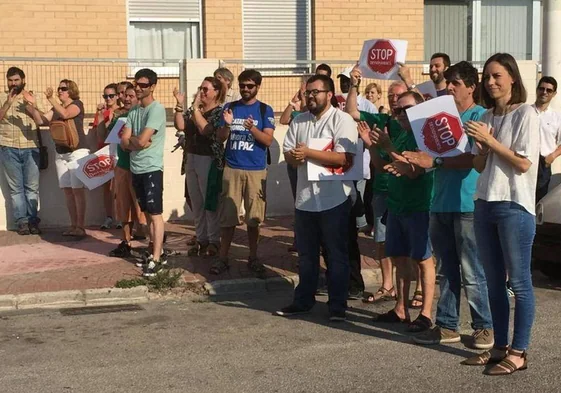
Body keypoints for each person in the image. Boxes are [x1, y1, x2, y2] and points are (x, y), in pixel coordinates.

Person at [402, 61, 494, 349]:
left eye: (455, 83)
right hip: (439, 202)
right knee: (446, 269)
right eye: (448, 82)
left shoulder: (480, 116)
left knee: (472, 270)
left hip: (467, 203)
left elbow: (474, 160)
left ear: (471, 86)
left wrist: (435, 161)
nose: (449, 86)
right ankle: (447, 324)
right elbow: (429, 155)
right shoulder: (440, 115)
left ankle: (484, 327)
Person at [461, 53, 539, 376]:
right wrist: (480, 148)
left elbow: (523, 163)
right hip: (485, 202)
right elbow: (479, 165)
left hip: (514, 205)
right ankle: (499, 348)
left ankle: (519, 351)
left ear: (512, 77)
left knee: (519, 282)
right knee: (494, 282)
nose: (491, 82)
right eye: (487, 78)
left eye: (497, 76)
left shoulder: (527, 114)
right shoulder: (488, 116)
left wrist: (490, 141)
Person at [277, 74, 358, 321]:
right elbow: (288, 153)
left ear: (329, 94)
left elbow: (345, 158)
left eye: (316, 92)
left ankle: (337, 306)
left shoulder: (342, 120)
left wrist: (308, 153)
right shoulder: (299, 121)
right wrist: (295, 157)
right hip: (305, 199)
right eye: (308, 92)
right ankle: (303, 301)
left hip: (334, 198)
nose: (311, 96)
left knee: (336, 254)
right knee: (306, 255)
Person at [361, 91, 435, 333]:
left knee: (423, 260)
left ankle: (424, 313)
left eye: (408, 109)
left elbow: (413, 170)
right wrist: (372, 146)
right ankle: (401, 308)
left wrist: (388, 146)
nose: (402, 114)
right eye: (398, 110)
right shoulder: (402, 136)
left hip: (419, 207)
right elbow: (383, 167)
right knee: (400, 259)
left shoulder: (426, 137)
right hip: (397, 205)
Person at [346, 70, 411, 304]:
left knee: (414, 244)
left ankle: (420, 290)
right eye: (392, 96)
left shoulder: (418, 127)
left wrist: (409, 80)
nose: (395, 100)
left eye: (400, 96)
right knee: (382, 241)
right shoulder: (382, 121)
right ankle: (387, 286)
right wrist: (354, 85)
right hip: (383, 190)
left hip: (411, 192)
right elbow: (352, 111)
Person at [212, 69, 275, 275]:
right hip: (232, 168)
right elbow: (221, 137)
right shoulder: (230, 108)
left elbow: (267, 140)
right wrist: (228, 125)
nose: (245, 89)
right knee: (228, 217)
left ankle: (253, 257)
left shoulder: (265, 110)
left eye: (250, 86)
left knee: (254, 218)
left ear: (258, 86)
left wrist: (252, 129)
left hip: (256, 170)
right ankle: (223, 258)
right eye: (242, 86)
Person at [26, 79, 89, 237]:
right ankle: (73, 225)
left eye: (63, 88)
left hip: (77, 151)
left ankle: (81, 226)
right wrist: (32, 106)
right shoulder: (56, 108)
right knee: (68, 191)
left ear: (71, 90)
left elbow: (66, 114)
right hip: (61, 153)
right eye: (59, 88)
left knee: (77, 191)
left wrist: (51, 99)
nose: (60, 91)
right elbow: (41, 121)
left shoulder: (77, 104)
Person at [120, 68, 167, 277]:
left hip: (151, 168)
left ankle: (157, 258)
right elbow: (125, 142)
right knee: (146, 213)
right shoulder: (133, 112)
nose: (138, 88)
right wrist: (136, 142)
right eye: (136, 84)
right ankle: (154, 250)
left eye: (143, 85)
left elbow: (139, 140)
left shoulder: (156, 110)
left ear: (153, 87)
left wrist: (137, 141)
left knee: (155, 213)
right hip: (136, 167)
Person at [173, 77, 225, 257]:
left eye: (206, 89)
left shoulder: (219, 112)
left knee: (209, 201)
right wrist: (179, 105)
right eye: (200, 88)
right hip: (191, 156)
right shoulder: (195, 110)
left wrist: (195, 109)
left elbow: (206, 130)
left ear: (216, 92)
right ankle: (201, 238)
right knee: (196, 201)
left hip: (208, 158)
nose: (201, 92)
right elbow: (180, 125)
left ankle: (213, 240)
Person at [0, 67, 42, 235]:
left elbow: (41, 120)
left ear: (23, 80)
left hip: (31, 147)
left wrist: (31, 105)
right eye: (10, 80)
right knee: (16, 188)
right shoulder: (2, 97)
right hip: (8, 146)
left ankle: (33, 221)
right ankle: (22, 222)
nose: (13, 83)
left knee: (32, 187)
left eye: (16, 80)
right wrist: (8, 103)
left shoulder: (32, 96)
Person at [107, 85, 148, 257]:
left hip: (139, 166)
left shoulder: (145, 118)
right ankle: (126, 241)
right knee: (123, 206)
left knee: (143, 207)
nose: (127, 99)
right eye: (125, 95)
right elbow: (109, 135)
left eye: (131, 95)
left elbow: (144, 141)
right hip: (123, 166)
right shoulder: (120, 118)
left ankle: (151, 241)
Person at [93, 83, 122, 230]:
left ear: (117, 96)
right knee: (107, 188)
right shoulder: (102, 112)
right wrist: (100, 117)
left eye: (111, 95)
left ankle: (120, 217)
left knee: (119, 187)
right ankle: (109, 216)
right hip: (104, 152)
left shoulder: (122, 112)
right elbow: (100, 136)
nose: (108, 99)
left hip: (118, 152)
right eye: (105, 96)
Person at [532, 76, 561, 202]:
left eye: (549, 90)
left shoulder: (556, 117)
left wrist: (553, 156)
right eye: (542, 88)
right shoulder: (525, 112)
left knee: (539, 200)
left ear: (554, 94)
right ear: (537, 89)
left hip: (543, 163)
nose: (544, 92)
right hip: (524, 160)